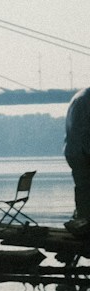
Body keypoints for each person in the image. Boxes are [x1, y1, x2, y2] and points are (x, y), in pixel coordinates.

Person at [69, 86, 90, 231]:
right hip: (83, 151)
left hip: (73, 150)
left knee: (82, 188)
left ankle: (82, 222)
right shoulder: (86, 99)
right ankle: (84, 225)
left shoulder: (80, 97)